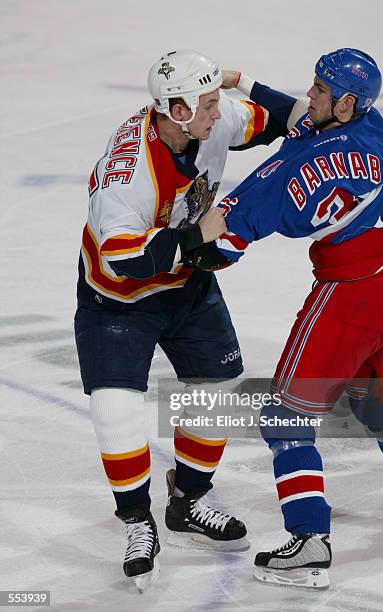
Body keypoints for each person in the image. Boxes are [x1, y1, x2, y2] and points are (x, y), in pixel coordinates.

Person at [184, 48, 383, 590]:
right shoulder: (375, 128)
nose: (310, 95)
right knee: (380, 403)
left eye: (321, 89)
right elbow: (303, 120)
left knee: (284, 417)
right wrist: (242, 81)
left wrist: (180, 247)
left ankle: (309, 542)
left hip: (353, 297)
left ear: (347, 102)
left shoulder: (291, 170)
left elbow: (223, 243)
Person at [74, 48, 292, 591]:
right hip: (118, 298)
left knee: (217, 387)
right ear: (176, 110)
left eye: (219, 102)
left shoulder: (206, 119)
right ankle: (136, 520)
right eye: (210, 105)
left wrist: (246, 80)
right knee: (116, 406)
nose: (221, 113)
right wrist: (202, 237)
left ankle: (187, 502)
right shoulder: (128, 168)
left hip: (185, 286)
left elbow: (289, 121)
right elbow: (124, 257)